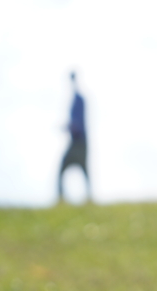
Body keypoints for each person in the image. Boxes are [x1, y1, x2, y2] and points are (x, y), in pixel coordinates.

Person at [58, 72, 91, 203]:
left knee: (67, 168)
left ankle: (62, 197)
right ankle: (63, 197)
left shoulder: (78, 100)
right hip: (79, 140)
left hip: (79, 141)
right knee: (83, 170)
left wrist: (71, 126)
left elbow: (78, 122)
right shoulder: (77, 99)